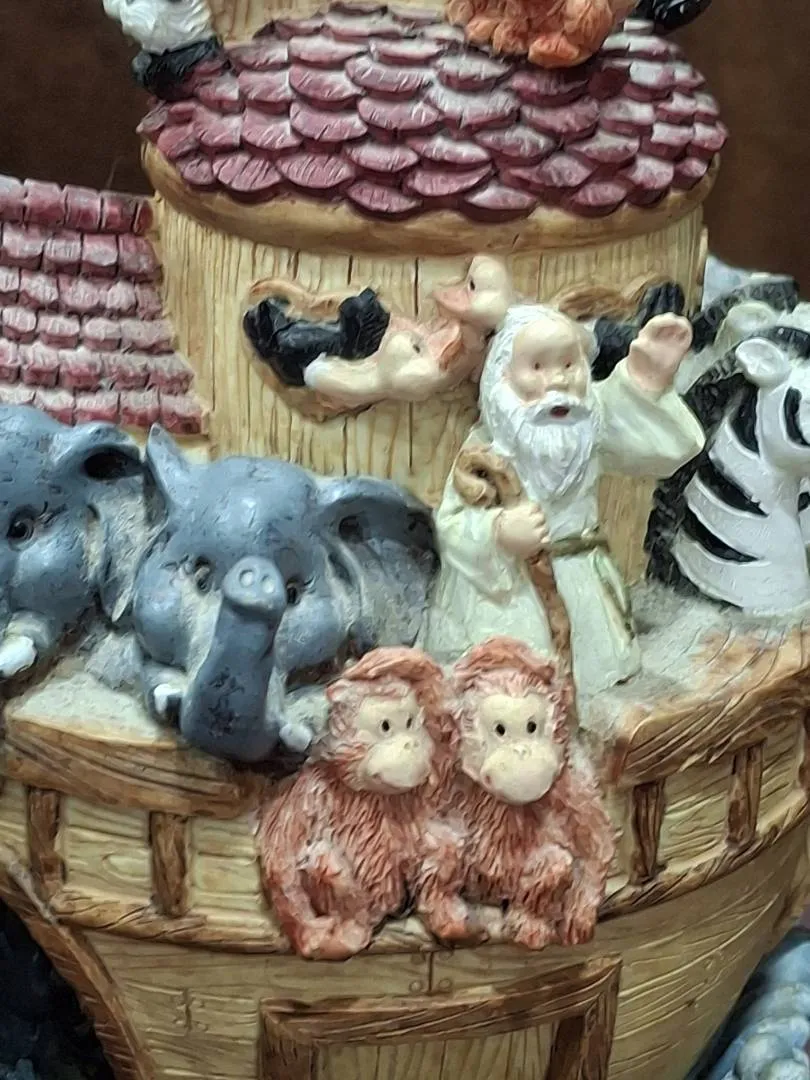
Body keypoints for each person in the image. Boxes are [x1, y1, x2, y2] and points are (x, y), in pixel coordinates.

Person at [423, 304, 705, 697]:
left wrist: (646, 382)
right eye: (537, 367)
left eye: (569, 364)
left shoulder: (589, 422)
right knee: (511, 688)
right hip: (505, 596)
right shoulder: (485, 448)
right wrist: (498, 532)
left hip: (581, 587)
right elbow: (451, 524)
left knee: (590, 675)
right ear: (501, 376)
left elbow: (661, 449)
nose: (557, 380)